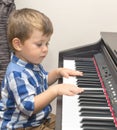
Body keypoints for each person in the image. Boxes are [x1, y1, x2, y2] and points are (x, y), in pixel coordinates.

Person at [0, 8, 84, 130]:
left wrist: (57, 73)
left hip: (39, 118)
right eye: (39, 44)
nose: (45, 49)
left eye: (47, 43)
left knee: (69, 122)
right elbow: (29, 106)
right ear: (18, 44)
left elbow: (43, 80)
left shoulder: (31, 63)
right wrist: (55, 90)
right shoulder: (16, 73)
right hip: (21, 126)